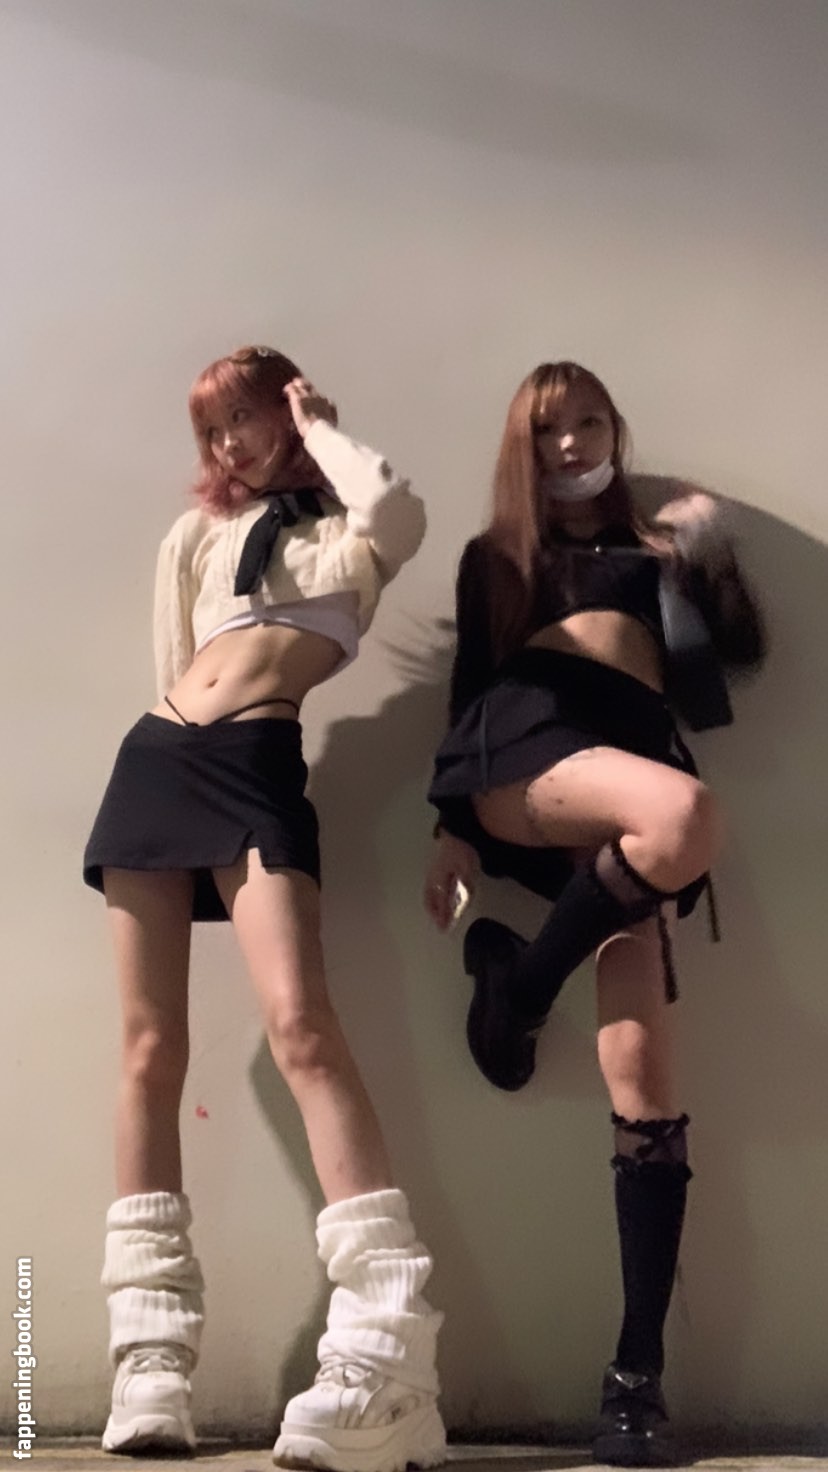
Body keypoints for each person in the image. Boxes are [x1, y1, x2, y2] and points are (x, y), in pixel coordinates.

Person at [84, 345, 446, 1470]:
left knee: (303, 1028)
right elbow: (175, 658)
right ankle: (150, 1359)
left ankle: (389, 1357)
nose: (229, 442)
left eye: (245, 416)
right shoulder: (194, 536)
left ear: (288, 410)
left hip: (256, 765)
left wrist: (321, 425)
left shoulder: (347, 533)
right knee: (148, 1048)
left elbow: (396, 508)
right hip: (158, 758)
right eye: (213, 428)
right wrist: (170, 744)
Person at [424, 361, 765, 1466]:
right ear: (522, 449)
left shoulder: (654, 552)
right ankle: (522, 989)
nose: (569, 442)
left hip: (624, 787)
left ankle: (634, 1381)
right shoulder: (498, 556)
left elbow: (734, 665)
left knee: (646, 1087)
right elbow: (469, 684)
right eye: (546, 429)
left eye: (586, 421)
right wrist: (451, 829)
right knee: (687, 816)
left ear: (615, 428)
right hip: (525, 753)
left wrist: (708, 555)